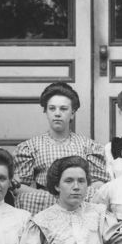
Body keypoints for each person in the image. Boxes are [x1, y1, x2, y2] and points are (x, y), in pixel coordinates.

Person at [14, 82, 108, 215]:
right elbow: (19, 186)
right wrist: (54, 198)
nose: (57, 114)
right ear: (45, 112)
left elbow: (98, 184)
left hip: (79, 203)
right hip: (44, 204)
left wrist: (73, 196)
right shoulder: (29, 147)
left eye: (63, 109)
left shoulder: (89, 146)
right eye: (52, 108)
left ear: (73, 113)